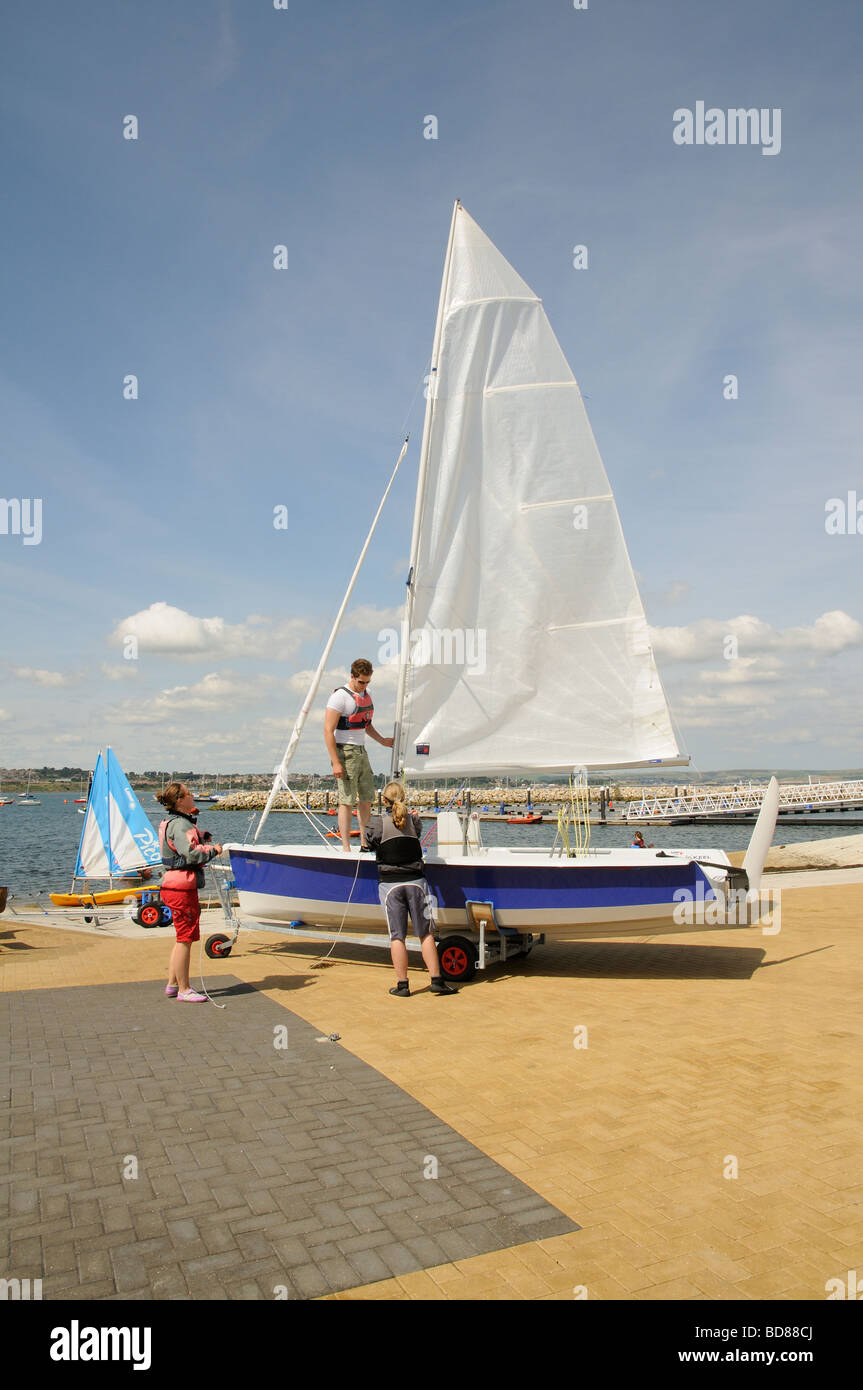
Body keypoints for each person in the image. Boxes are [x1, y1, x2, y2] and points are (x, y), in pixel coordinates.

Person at [363, 782, 457, 997]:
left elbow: (368, 842)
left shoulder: (377, 824)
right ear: (403, 798)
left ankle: (403, 985)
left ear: (384, 800)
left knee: (397, 936)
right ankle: (436, 980)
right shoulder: (414, 821)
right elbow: (413, 830)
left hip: (390, 886)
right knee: (425, 934)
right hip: (417, 883)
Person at [157, 782, 223, 1002]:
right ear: (179, 800)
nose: (193, 796)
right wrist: (213, 851)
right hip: (181, 887)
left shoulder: (172, 822)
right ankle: (184, 989)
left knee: (181, 937)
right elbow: (190, 854)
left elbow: (183, 844)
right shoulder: (181, 825)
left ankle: (172, 984)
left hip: (172, 885)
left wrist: (202, 838)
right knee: (185, 937)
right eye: (189, 794)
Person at [325, 658, 393, 852]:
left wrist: (382, 741)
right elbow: (328, 731)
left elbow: (366, 724)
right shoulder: (340, 697)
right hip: (344, 751)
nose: (364, 685)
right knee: (346, 800)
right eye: (361, 682)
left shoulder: (366, 694)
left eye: (367, 682)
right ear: (352, 676)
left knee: (366, 798)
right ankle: (346, 847)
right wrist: (336, 763)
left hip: (362, 750)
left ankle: (365, 842)